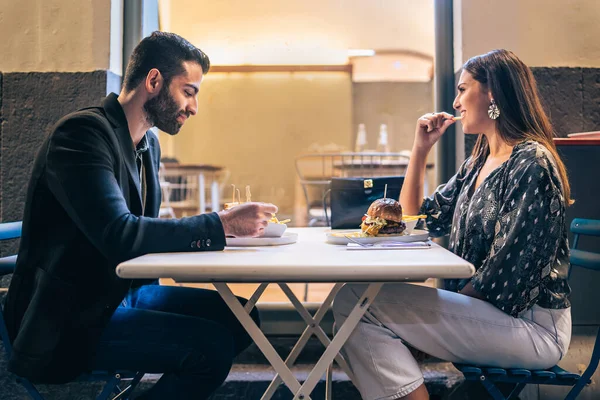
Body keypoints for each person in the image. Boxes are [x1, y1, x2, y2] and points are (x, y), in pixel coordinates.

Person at [3, 31, 277, 399]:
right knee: (209, 348)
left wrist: (217, 230)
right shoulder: (81, 134)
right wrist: (221, 225)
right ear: (154, 81)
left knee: (242, 318)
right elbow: (120, 234)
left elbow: (143, 229)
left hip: (120, 294)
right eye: (189, 91)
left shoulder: (148, 144)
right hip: (68, 319)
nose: (194, 107)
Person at [332, 49, 573, 400]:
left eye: (462, 89)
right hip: (489, 313)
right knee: (354, 303)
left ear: (492, 92)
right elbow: (415, 221)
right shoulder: (480, 161)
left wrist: (434, 322)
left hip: (531, 327)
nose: (456, 102)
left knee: (356, 301)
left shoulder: (531, 162)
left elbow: (506, 275)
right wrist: (420, 150)